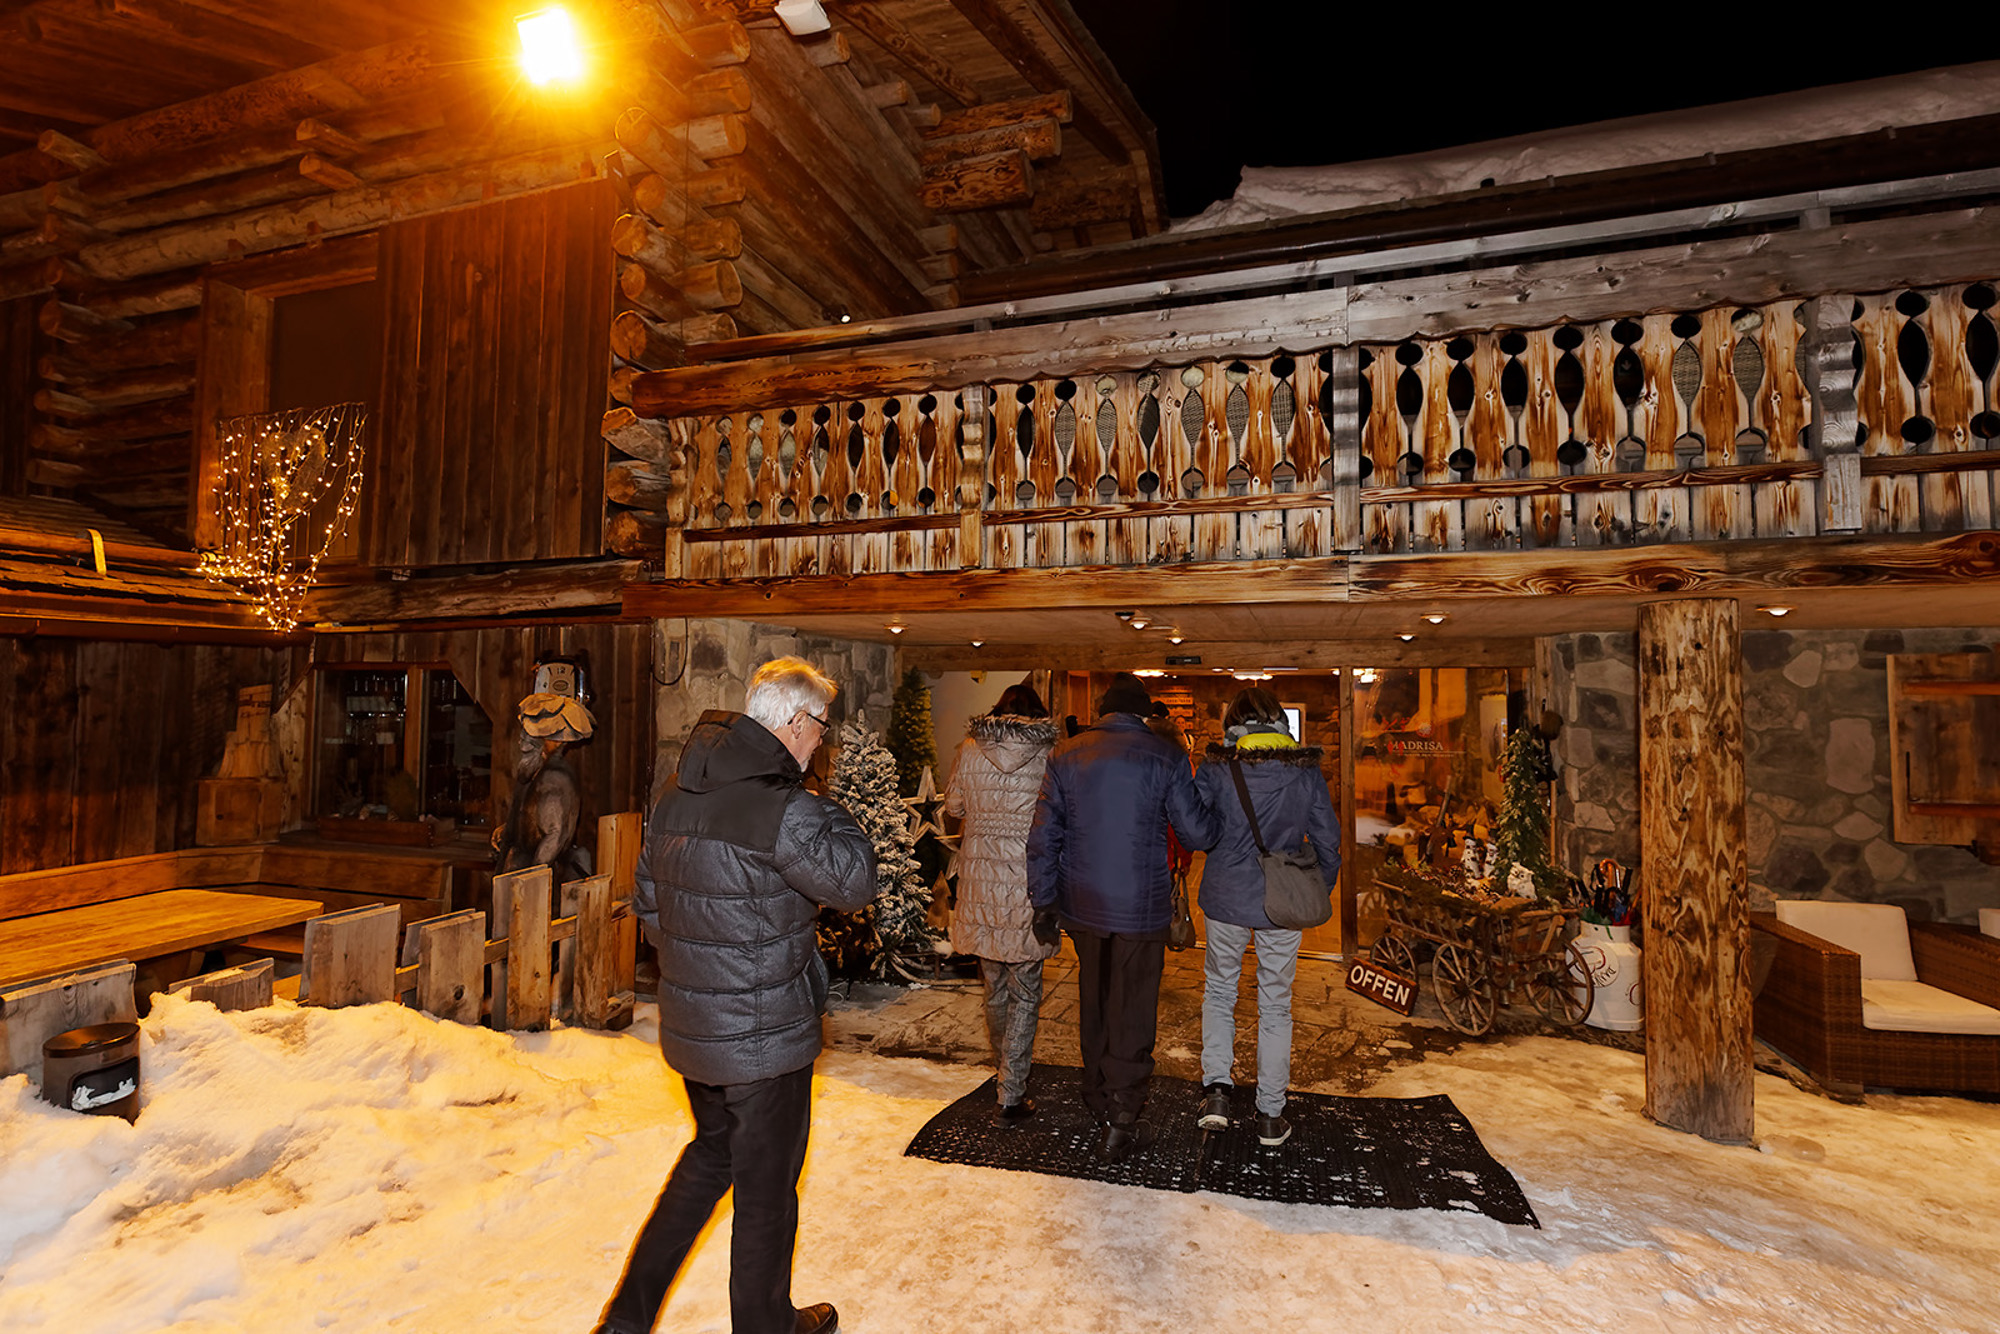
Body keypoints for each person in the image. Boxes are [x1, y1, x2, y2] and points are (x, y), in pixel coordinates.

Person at [595, 658, 876, 1334]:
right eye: (821, 728)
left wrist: (706, 970)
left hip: (696, 1031)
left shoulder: (676, 795)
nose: (822, 742)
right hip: (766, 1043)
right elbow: (855, 882)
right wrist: (826, 804)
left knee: (707, 1164)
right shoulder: (787, 809)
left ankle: (624, 1323)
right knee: (766, 1196)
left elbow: (651, 908)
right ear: (795, 723)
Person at [1026, 672, 1219, 1162]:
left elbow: (1044, 836)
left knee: (1095, 1000)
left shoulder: (1065, 754)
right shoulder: (1165, 755)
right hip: (1141, 904)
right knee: (1131, 1007)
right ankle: (1123, 1115)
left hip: (1082, 902)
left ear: (1103, 711)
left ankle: (1096, 1096)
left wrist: (1044, 900)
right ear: (1143, 713)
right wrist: (1215, 809)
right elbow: (1197, 833)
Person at [1192, 687, 1342, 1148]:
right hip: (1283, 902)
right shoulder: (1304, 771)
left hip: (1226, 896)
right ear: (1280, 723)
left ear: (1232, 725)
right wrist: (1316, 888)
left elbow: (1199, 831)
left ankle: (1217, 1094)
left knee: (1220, 991)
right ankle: (1271, 1115)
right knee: (1276, 1004)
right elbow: (1328, 839)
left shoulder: (1217, 768)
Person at [941, 681, 1060, 1124]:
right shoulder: (1049, 755)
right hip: (1029, 883)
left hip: (980, 884)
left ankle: (1003, 1069)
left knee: (993, 985)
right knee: (1025, 990)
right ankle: (1011, 1091)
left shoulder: (970, 749)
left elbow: (954, 806)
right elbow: (1058, 816)